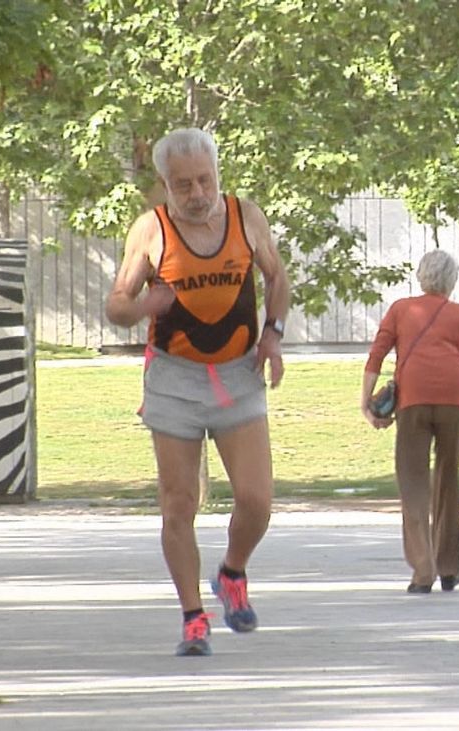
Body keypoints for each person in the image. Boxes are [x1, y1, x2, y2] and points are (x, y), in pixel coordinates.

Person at [106, 127, 290, 656]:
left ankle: (232, 572)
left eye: (204, 180)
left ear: (216, 175)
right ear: (166, 185)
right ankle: (193, 617)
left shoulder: (243, 216)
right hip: (174, 379)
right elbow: (117, 303)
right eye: (183, 184)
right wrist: (144, 306)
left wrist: (273, 336)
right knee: (178, 503)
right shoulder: (152, 229)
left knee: (256, 500)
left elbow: (277, 278)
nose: (196, 193)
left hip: (238, 373)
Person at [361, 250, 459, 594]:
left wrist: (366, 401)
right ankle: (449, 568)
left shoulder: (401, 310)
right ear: (452, 281)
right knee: (448, 480)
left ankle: (422, 570)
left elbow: (377, 354)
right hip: (456, 400)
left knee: (412, 482)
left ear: (421, 277)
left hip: (413, 398)